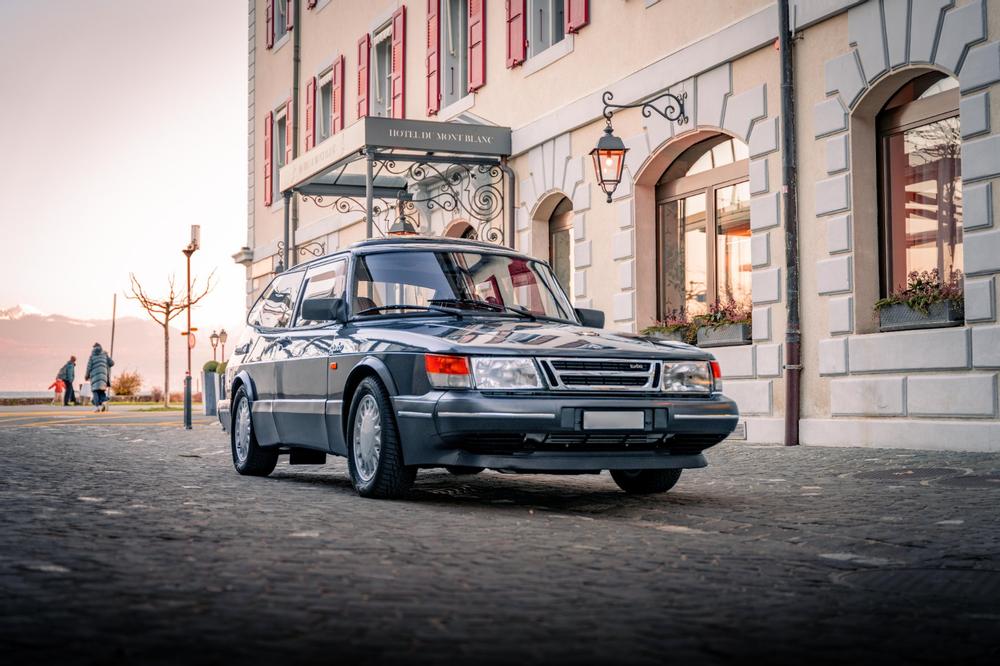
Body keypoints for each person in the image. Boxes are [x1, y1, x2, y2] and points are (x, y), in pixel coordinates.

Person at [85, 343, 114, 413]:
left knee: (95, 391)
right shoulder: (104, 354)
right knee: (101, 391)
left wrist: (86, 376)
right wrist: (107, 356)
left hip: (95, 376)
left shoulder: (92, 356)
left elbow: (89, 367)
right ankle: (103, 402)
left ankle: (97, 407)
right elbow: (112, 363)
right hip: (103, 376)